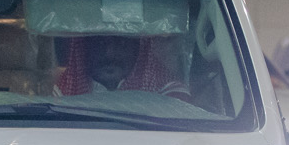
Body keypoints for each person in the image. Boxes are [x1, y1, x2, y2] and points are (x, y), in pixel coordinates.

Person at [54, 36, 190, 98]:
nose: (109, 53)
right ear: (85, 47)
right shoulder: (59, 92)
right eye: (100, 43)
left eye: (121, 43)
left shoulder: (169, 93)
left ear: (139, 48)